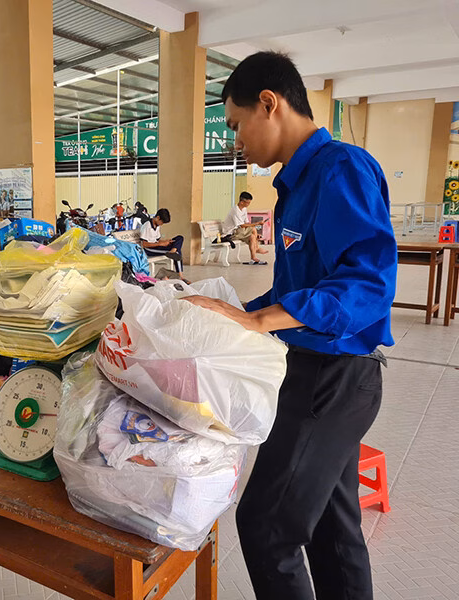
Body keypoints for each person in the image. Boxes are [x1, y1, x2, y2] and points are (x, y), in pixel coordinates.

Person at [185, 52, 396, 600]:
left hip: (336, 377)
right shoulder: (293, 190)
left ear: (269, 104)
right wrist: (225, 315)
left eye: (235, 124)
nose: (236, 141)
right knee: (331, 528)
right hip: (308, 369)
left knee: (265, 527)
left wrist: (260, 319)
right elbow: (290, 293)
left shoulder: (341, 169)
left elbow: (368, 286)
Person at [223, 191, 269, 264]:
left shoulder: (244, 209)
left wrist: (255, 233)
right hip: (231, 233)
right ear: (241, 202)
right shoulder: (235, 211)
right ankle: (256, 248)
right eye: (247, 203)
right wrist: (257, 223)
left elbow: (246, 222)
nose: (248, 204)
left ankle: (253, 258)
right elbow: (241, 225)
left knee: (252, 237)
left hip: (239, 231)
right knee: (253, 228)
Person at [140, 208, 183, 273]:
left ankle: (173, 250)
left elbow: (157, 240)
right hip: (149, 249)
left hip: (157, 246)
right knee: (177, 251)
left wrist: (166, 241)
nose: (162, 224)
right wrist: (161, 244)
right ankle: (181, 276)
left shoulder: (157, 226)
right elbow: (144, 244)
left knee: (179, 238)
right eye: (162, 222)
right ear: (157, 217)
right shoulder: (147, 225)